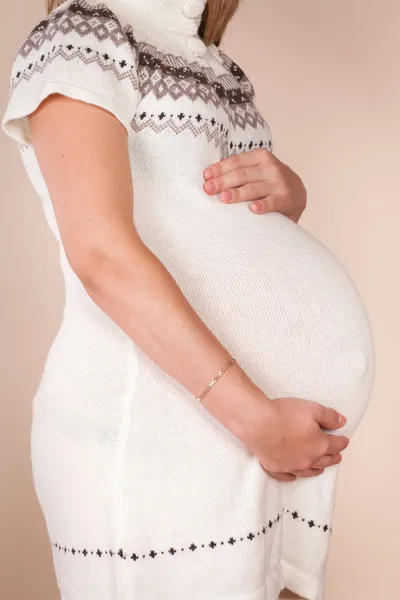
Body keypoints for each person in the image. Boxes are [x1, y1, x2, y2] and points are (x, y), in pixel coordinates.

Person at [2, 1, 375, 599]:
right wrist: (256, 421)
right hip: (160, 438)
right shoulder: (86, 31)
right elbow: (100, 251)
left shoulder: (216, 69)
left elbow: (211, 233)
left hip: (258, 446)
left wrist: (288, 196)